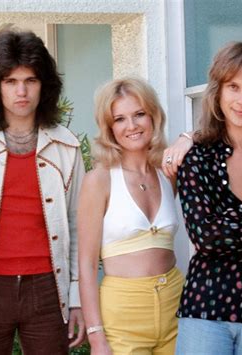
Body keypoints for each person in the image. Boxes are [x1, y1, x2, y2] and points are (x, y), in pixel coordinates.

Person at [0, 30, 85, 354]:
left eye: (31, 80)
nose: (22, 91)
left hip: (47, 287)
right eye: (11, 81)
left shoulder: (66, 146)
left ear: (45, 85)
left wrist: (78, 297)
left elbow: (77, 224)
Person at [174, 41, 242, 354]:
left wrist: (228, 225)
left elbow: (219, 230)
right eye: (233, 87)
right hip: (207, 312)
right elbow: (206, 236)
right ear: (218, 91)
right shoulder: (197, 157)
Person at [78, 77, 185, 354]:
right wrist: (96, 336)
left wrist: (187, 138)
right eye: (120, 119)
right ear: (109, 127)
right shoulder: (98, 180)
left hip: (175, 302)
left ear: (153, 116)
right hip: (123, 311)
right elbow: (87, 264)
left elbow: (215, 135)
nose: (132, 126)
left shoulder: (167, 173)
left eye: (139, 114)